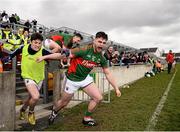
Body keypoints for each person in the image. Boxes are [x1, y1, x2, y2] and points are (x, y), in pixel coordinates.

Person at [36, 31, 121, 126]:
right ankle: (54, 112)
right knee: (63, 103)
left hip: (84, 79)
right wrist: (45, 57)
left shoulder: (101, 57)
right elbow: (62, 55)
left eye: (104, 43)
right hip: (72, 80)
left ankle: (86, 118)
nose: (101, 45)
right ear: (94, 41)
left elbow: (108, 73)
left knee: (98, 98)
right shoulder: (83, 49)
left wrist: (116, 88)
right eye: (99, 42)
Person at [6, 33, 53, 125]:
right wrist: (8, 58)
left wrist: (61, 54)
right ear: (31, 42)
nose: (37, 45)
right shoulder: (23, 47)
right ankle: (31, 112)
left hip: (39, 78)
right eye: (35, 42)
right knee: (36, 96)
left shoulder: (43, 51)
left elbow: (54, 55)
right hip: (27, 76)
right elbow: (12, 54)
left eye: (39, 43)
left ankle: (23, 109)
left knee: (32, 98)